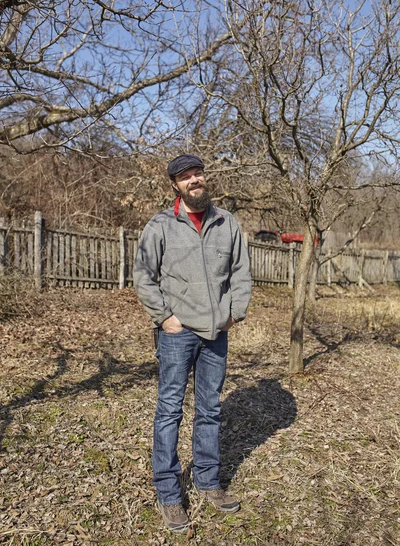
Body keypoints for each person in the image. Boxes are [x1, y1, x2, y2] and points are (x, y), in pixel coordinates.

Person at [133, 154, 252, 533]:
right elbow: (144, 276)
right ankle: (169, 493)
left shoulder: (226, 222)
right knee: (169, 410)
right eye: (185, 177)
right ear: (175, 185)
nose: (194, 180)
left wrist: (234, 312)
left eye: (198, 173)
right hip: (177, 333)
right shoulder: (161, 225)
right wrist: (165, 317)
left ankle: (207, 480)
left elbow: (241, 272)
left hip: (216, 332)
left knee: (210, 409)